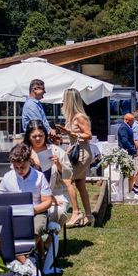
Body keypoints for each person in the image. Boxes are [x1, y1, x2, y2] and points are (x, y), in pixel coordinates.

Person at [0, 143, 56, 256]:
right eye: (16, 167)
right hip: (13, 214)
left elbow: (47, 201)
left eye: (23, 167)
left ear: (29, 162)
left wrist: (33, 210)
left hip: (36, 212)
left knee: (34, 231)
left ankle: (23, 255)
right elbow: (0, 200)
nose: (19, 170)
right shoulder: (7, 177)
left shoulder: (39, 177)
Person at [23, 121, 72, 224]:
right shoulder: (23, 152)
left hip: (56, 193)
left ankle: (50, 235)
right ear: (28, 136)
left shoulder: (56, 151)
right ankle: (40, 236)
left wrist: (58, 164)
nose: (38, 139)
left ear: (45, 135)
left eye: (41, 135)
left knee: (59, 211)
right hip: (29, 196)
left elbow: (69, 176)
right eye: (34, 136)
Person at [57, 88, 93, 227]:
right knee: (80, 184)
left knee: (67, 180)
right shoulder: (72, 117)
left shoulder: (79, 117)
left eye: (65, 99)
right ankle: (89, 216)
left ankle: (76, 213)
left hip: (82, 154)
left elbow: (88, 135)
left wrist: (70, 132)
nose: (63, 102)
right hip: (77, 152)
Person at [118, 113, 138, 199]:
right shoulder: (123, 127)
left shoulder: (127, 127)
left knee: (131, 174)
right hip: (126, 153)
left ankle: (129, 191)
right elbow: (125, 141)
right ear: (127, 120)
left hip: (129, 153)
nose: (133, 122)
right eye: (132, 120)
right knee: (127, 174)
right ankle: (126, 192)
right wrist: (133, 150)